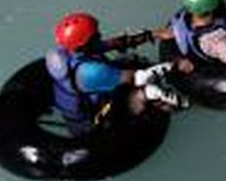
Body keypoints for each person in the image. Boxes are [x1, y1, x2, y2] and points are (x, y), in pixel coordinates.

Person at [46, 12, 187, 136]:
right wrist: (174, 66)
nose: (100, 35)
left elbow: (108, 44)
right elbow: (138, 78)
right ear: (84, 45)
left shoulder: (61, 53)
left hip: (79, 106)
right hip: (91, 123)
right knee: (150, 91)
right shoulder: (91, 72)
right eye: (95, 35)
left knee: (126, 63)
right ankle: (185, 105)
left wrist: (153, 34)